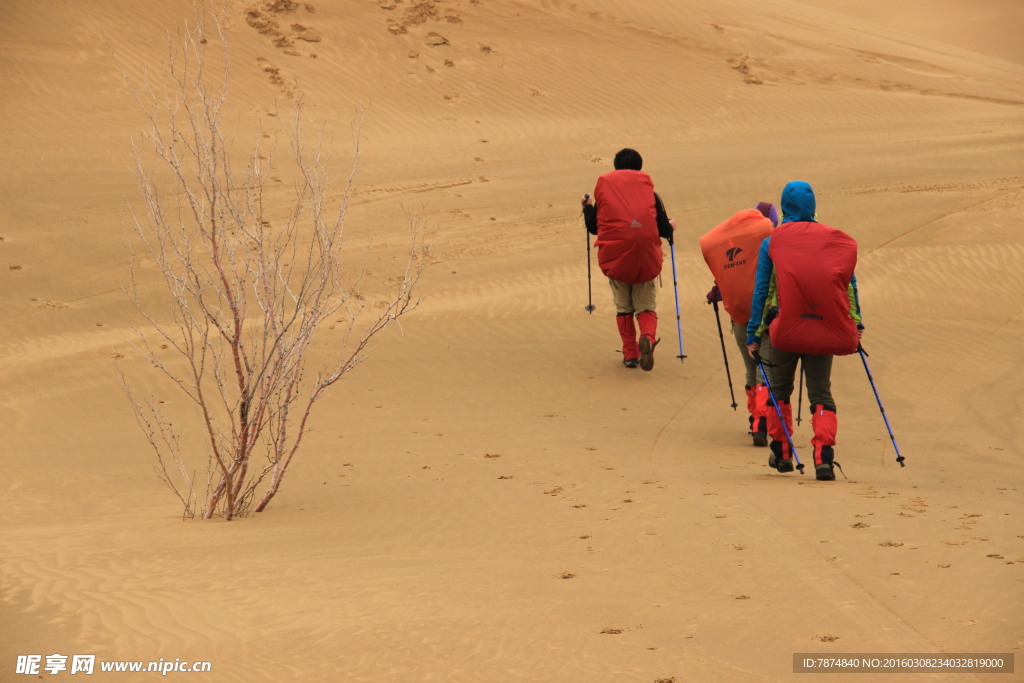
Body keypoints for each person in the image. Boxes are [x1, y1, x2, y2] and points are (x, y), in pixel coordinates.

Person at [745, 181, 863, 481]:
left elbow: (761, 290)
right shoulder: (832, 240)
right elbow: (849, 284)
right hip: (825, 329)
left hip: (782, 329)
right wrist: (856, 322)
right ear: (813, 207)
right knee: (821, 391)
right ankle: (823, 457)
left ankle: (782, 452)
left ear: (785, 206)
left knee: (779, 390)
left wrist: (753, 334)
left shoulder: (773, 241)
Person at [582, 148, 675, 371]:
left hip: (616, 260)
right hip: (645, 260)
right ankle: (648, 339)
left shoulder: (605, 191)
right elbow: (663, 229)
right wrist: (671, 227)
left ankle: (631, 355)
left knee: (624, 308)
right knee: (645, 306)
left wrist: (587, 208)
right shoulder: (650, 194)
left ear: (616, 166)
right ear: (639, 167)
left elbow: (594, 227)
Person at [699, 202, 779, 446]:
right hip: (766, 319)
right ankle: (762, 422)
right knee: (765, 369)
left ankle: (755, 419)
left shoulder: (738, 245)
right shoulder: (770, 245)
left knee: (750, 368)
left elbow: (723, 284)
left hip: (740, 320)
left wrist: (715, 294)